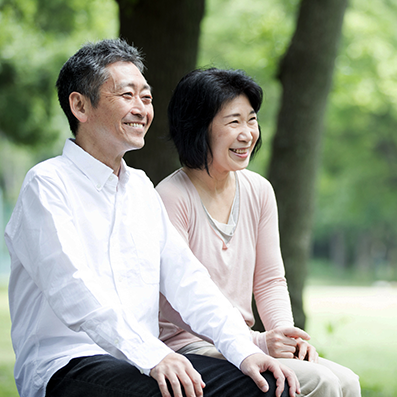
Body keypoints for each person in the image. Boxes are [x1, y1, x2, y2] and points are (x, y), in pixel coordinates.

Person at [4, 39, 299, 397]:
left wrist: (244, 349)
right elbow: (74, 289)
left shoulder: (141, 189)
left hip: (143, 362)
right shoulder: (47, 185)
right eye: (127, 95)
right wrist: (152, 354)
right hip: (69, 364)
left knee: (269, 386)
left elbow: (188, 280)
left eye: (146, 97)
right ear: (80, 106)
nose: (141, 108)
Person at [155, 68, 361, 397]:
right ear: (198, 127)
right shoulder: (170, 198)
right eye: (233, 121)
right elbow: (180, 303)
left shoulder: (259, 190)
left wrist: (285, 336)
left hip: (246, 343)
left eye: (251, 120)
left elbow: (269, 281)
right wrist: (259, 341)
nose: (248, 133)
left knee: (347, 380)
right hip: (192, 347)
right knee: (319, 383)